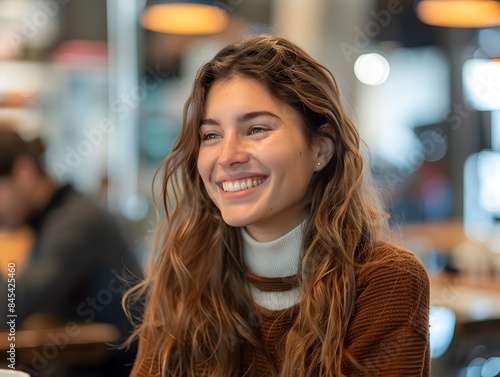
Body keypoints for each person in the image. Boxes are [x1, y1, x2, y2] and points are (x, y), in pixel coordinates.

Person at [127, 35, 430, 376]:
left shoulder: (384, 280)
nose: (227, 156)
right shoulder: (185, 272)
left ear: (322, 149)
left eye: (256, 129)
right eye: (211, 135)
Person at [0, 127, 141, 376]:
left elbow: (13, 306)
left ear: (24, 172)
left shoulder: (74, 222)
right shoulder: (58, 217)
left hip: (113, 367)